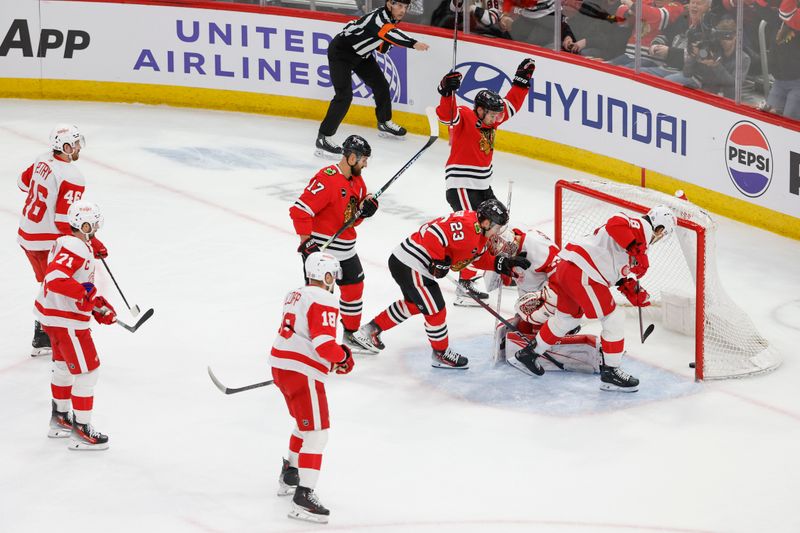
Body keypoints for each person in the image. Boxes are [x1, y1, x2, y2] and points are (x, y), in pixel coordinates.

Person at [507, 205, 677, 392]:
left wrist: (630, 288)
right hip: (583, 273)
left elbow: (614, 267)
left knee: (567, 319)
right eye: (662, 234)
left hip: (569, 268)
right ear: (660, 229)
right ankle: (611, 372)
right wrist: (636, 249)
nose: (659, 238)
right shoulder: (639, 227)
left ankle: (529, 354)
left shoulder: (638, 241)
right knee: (613, 318)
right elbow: (615, 222)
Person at [350, 199, 531, 369]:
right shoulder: (468, 226)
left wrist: (500, 264)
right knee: (435, 309)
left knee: (415, 305)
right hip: (411, 262)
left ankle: (369, 331)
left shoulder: (479, 234)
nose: (498, 232)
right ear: (486, 223)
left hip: (410, 263)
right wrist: (438, 260)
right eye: (497, 227)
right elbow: (432, 232)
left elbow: (475, 257)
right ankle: (440, 354)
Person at [435, 58, 534, 306]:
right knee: (478, 233)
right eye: (490, 114)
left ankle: (495, 267)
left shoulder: (493, 118)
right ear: (479, 110)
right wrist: (447, 92)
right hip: (462, 185)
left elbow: (511, 105)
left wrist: (521, 81)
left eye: (495, 115)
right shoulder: (466, 117)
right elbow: (446, 115)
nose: (494, 119)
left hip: (480, 185)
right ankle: (465, 285)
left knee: (498, 225)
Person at [270, 252, 355, 524]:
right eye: (333, 276)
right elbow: (323, 345)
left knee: (303, 424)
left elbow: (303, 334)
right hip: (300, 371)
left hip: (280, 364)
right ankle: (303, 497)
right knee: (317, 434)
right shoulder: (324, 298)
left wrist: (330, 359)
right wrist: (342, 357)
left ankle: (290, 473)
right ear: (327, 276)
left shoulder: (295, 293)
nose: (334, 283)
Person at [17, 124, 108, 357]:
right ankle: (51, 334)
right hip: (46, 240)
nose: (79, 147)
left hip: (27, 233)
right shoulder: (73, 176)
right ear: (65, 147)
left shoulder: (42, 158)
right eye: (75, 144)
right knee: (62, 281)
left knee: (48, 281)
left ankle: (46, 334)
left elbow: (22, 183)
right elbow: (62, 220)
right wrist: (89, 240)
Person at [35, 200, 117, 450]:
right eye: (93, 226)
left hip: (52, 317)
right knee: (88, 372)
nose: (96, 230)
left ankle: (60, 420)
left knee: (63, 367)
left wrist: (96, 303)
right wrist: (88, 298)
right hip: (66, 321)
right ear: (85, 224)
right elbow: (56, 277)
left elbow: (76, 286)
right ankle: (81, 431)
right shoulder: (76, 248)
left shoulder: (68, 242)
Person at [289, 135, 379, 354]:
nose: (365, 164)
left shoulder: (358, 182)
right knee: (318, 300)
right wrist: (306, 243)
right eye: (363, 159)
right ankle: (307, 342)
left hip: (347, 249)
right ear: (351, 158)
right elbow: (300, 210)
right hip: (323, 253)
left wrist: (365, 210)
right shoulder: (327, 178)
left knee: (355, 288)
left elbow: (351, 218)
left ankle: (350, 334)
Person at [315, 0, 431, 157]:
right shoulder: (379, 18)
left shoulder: (391, 20)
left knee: (381, 85)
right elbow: (390, 33)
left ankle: (384, 122)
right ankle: (324, 137)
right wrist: (414, 43)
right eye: (399, 6)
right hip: (341, 52)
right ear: (389, 3)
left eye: (405, 7)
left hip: (361, 54)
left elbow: (382, 43)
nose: (403, 10)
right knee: (344, 96)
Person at [665, 17, 751, 99]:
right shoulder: (711, 49)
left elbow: (734, 84)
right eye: (721, 37)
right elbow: (687, 73)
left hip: (726, 97)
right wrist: (693, 55)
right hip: (705, 90)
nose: (724, 41)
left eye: (728, 37)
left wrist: (715, 66)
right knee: (668, 82)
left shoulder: (743, 58)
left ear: (735, 36)